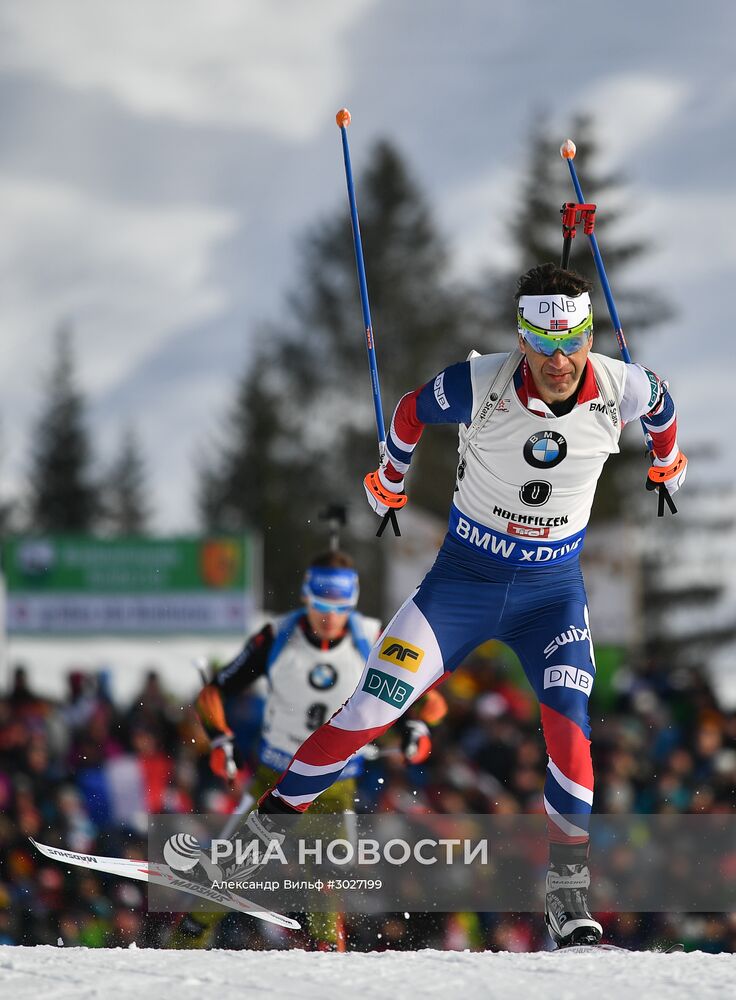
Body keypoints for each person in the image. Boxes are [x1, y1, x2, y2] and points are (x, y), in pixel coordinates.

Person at [252, 263, 687, 948]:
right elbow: (407, 411)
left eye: (572, 341)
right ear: (521, 339)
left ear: (588, 334)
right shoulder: (479, 383)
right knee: (371, 707)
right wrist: (388, 479)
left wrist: (669, 460)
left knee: (570, 725)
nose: (559, 360)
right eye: (542, 345)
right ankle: (258, 841)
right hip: (463, 583)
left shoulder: (620, 385)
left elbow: (661, 408)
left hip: (551, 594)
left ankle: (567, 895)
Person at [170, 549, 443, 950]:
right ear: (306, 597)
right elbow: (215, 691)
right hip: (273, 778)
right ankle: (179, 952)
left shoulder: (374, 637)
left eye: (339, 606)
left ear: (352, 602)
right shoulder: (276, 635)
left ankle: (326, 965)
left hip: (333, 786)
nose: (328, 617)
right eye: (320, 604)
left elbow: (425, 697)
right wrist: (220, 739)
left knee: (326, 883)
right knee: (221, 877)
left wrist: (416, 727)